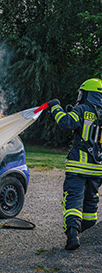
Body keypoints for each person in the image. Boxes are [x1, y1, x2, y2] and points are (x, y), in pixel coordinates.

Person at [48, 78, 102, 250]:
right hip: (97, 169)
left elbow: (65, 122)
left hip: (78, 165)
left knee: (73, 200)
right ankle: (85, 233)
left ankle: (72, 235)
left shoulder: (83, 109)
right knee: (90, 203)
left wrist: (55, 106)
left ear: (87, 94)